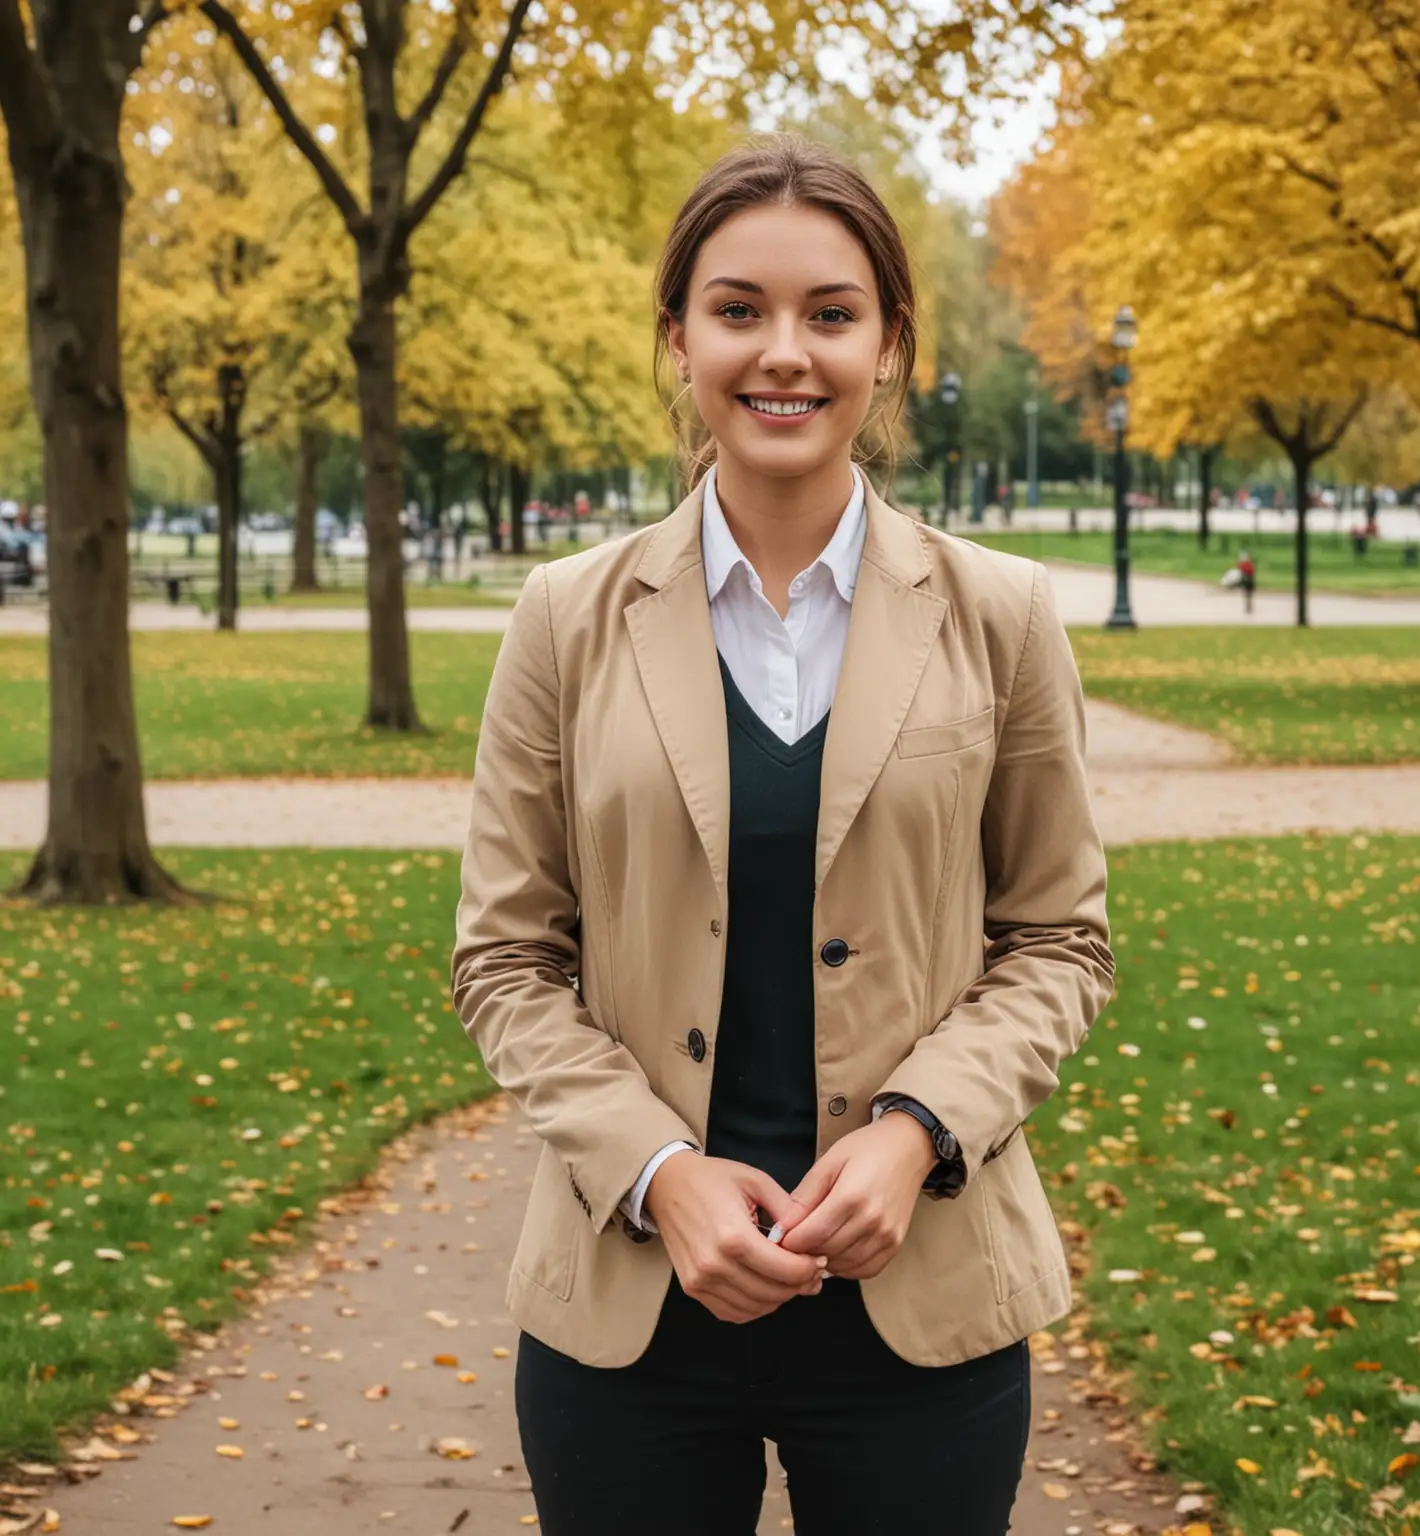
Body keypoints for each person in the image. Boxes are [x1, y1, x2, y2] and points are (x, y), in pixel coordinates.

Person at [452, 134, 1114, 1536]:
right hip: (630, 1316)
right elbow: (507, 958)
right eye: (739, 308)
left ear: (890, 346)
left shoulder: (1000, 614)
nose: (784, 354)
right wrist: (656, 1174)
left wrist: (920, 1132)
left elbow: (1057, 937)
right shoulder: (566, 620)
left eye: (831, 312)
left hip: (919, 1305)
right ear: (678, 337)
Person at [1237, 548, 1256, 614]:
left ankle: (1248, 608)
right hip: (1249, 580)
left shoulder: (1245, 564)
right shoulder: (1250, 564)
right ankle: (1249, 608)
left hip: (1247, 580)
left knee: (1248, 595)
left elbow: (1240, 568)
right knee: (1248, 595)